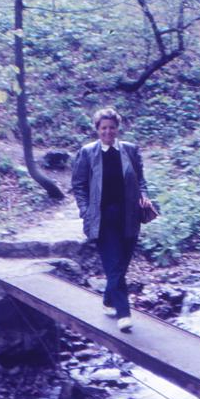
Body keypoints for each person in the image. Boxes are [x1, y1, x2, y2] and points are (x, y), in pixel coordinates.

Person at [71, 106, 152, 332]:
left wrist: (144, 197)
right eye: (104, 128)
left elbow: (141, 180)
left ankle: (108, 299)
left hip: (129, 215)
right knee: (114, 264)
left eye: (112, 128)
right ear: (97, 129)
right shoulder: (87, 153)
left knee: (122, 264)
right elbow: (78, 185)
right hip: (102, 217)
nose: (108, 132)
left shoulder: (130, 150)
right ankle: (124, 314)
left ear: (118, 128)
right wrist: (85, 211)